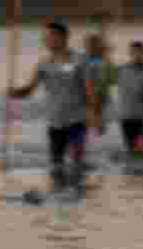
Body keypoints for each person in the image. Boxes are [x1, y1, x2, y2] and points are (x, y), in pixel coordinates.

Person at [8, 21, 101, 190]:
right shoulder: (44, 64)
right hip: (54, 122)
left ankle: (78, 190)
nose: (46, 41)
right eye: (45, 38)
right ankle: (58, 192)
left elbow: (90, 91)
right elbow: (29, 90)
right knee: (56, 166)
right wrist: (15, 93)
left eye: (49, 37)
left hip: (76, 121)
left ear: (63, 37)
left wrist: (95, 115)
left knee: (77, 161)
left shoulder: (80, 61)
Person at [116, 40, 143, 157]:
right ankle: (134, 174)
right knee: (132, 152)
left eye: (139, 52)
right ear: (130, 53)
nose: (137, 55)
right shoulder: (121, 70)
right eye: (134, 52)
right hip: (127, 117)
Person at [82, 32, 117, 135]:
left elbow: (113, 79)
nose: (90, 47)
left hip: (100, 95)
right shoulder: (82, 59)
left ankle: (97, 127)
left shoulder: (106, 61)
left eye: (93, 44)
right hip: (87, 95)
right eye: (88, 44)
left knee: (96, 111)